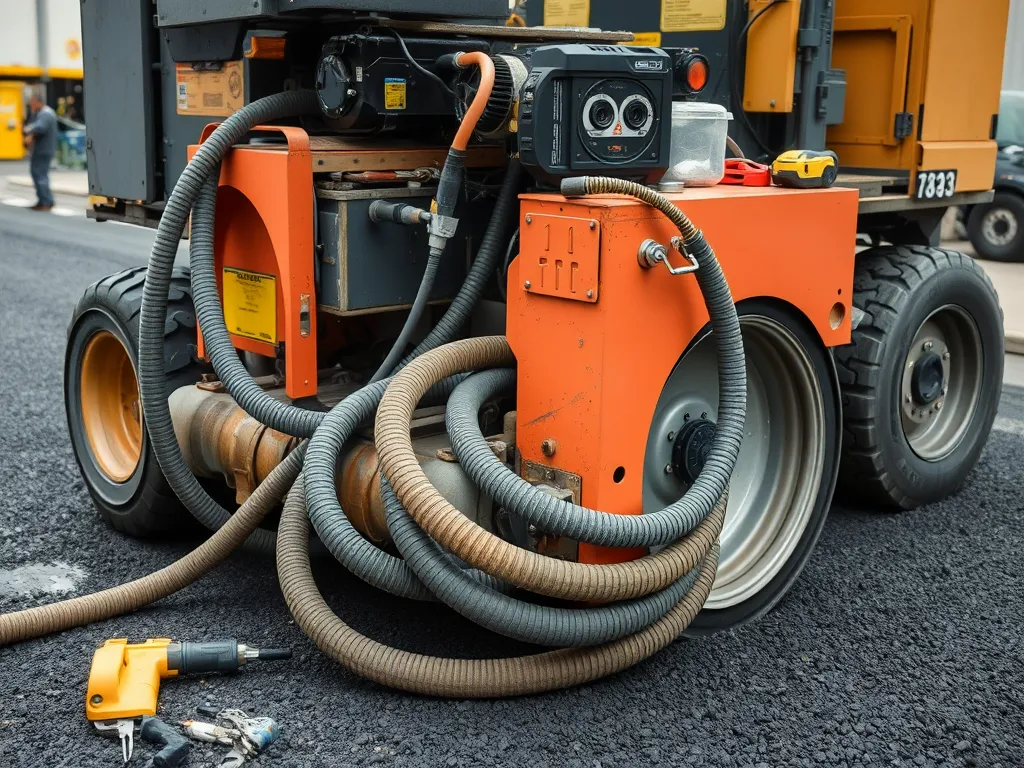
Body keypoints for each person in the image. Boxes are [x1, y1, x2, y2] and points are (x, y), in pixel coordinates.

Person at [23, 93, 58, 212]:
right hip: (42, 149)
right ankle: (42, 200)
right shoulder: (42, 113)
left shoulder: (45, 113)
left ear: (39, 102)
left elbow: (39, 128)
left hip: (43, 150)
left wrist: (29, 131)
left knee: (40, 175)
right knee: (38, 174)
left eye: (32, 103)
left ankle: (46, 201)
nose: (31, 105)